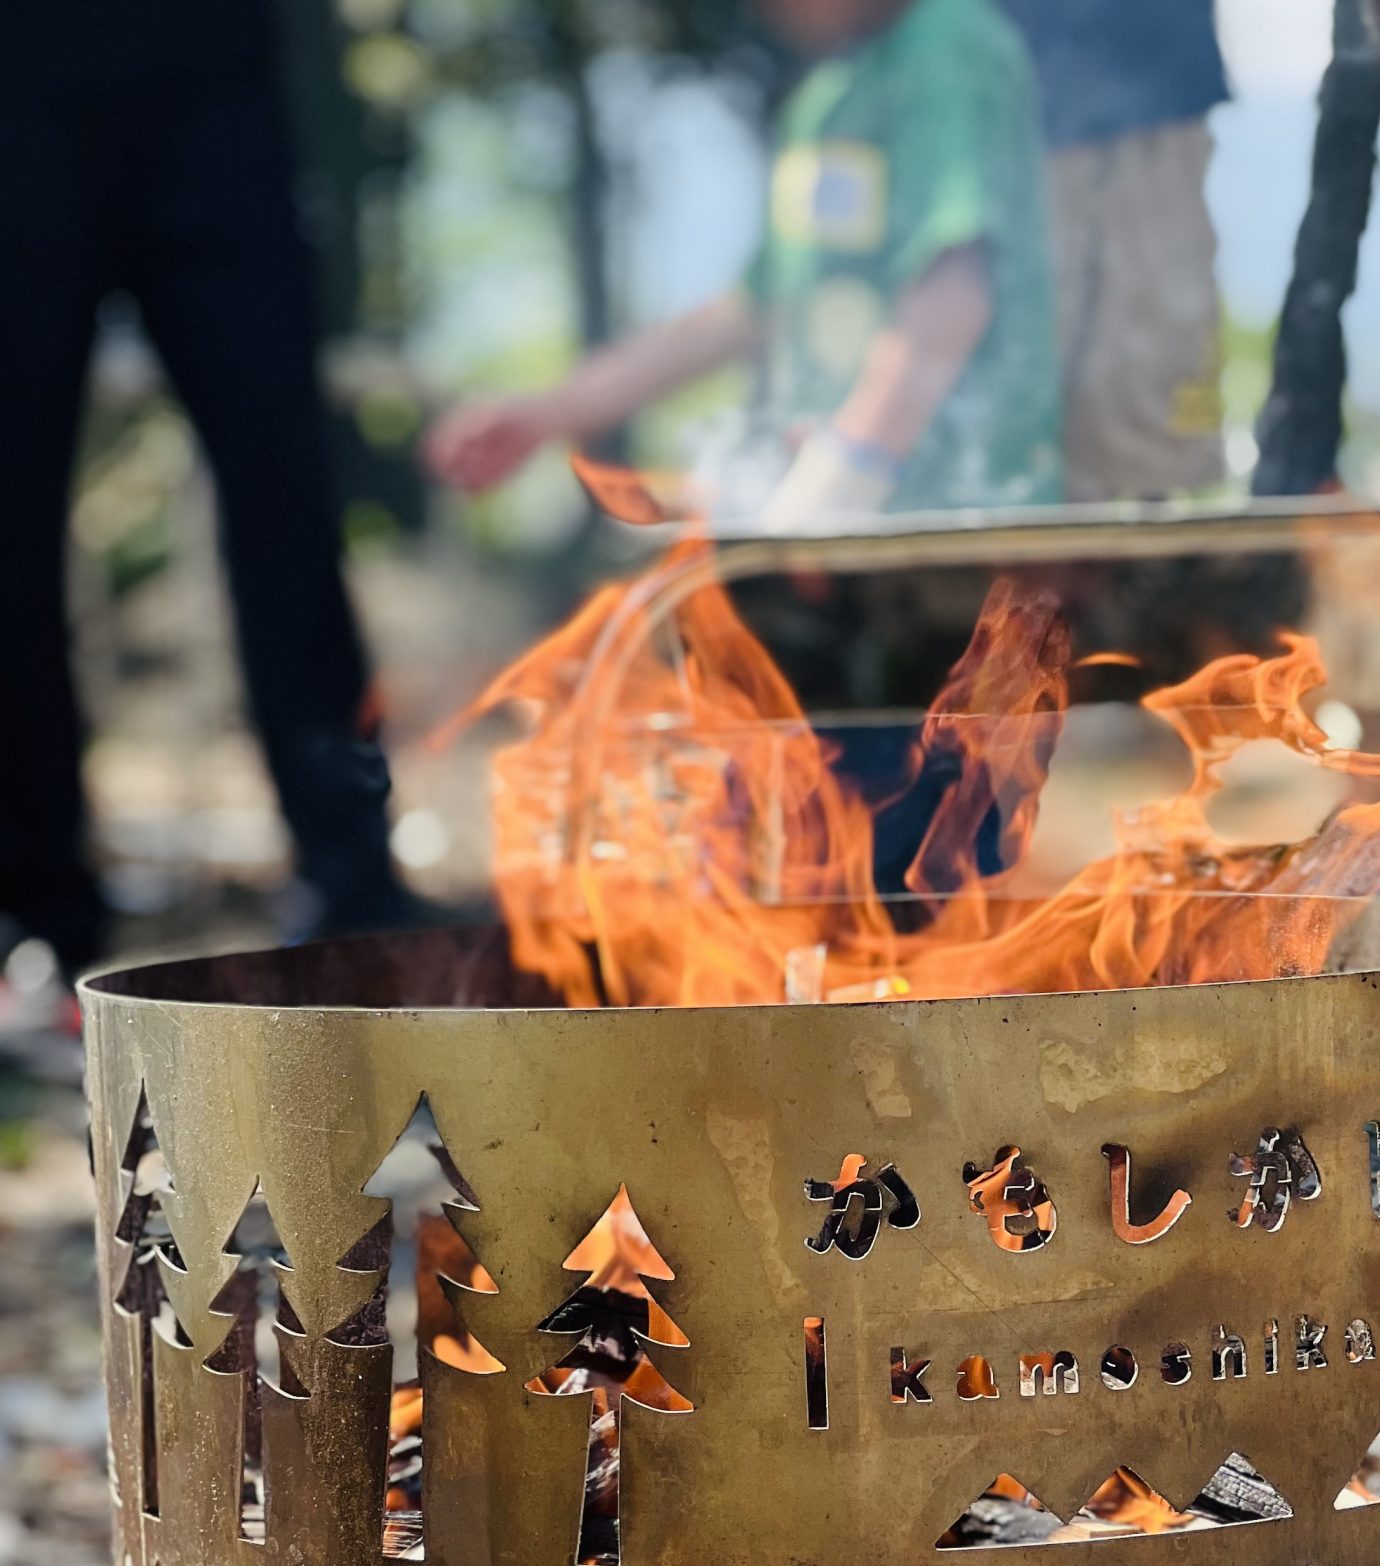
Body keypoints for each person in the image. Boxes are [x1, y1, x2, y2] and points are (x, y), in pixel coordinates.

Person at [0, 0, 415, 978]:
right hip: (15, 93)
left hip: (214, 83)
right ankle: (35, 908)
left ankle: (355, 882)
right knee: (9, 526)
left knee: (289, 503)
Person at [426, 0, 1062, 524]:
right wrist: (551, 412)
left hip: (967, 522)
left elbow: (953, 292)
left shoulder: (950, 45)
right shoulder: (826, 98)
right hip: (851, 525)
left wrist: (845, 475)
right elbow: (755, 308)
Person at [999, 0, 1229, 503]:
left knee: (1145, 399)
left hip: (1144, 81)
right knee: (1017, 389)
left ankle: (1136, 560)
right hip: (1012, 86)